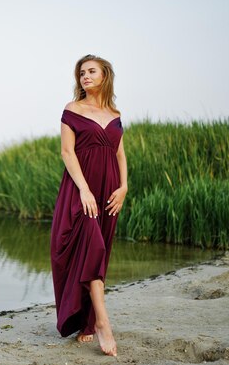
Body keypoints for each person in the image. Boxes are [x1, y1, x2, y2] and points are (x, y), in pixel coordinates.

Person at [50, 54, 128, 357]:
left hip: (109, 191)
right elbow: (67, 152)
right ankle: (102, 324)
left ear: (104, 76)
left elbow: (120, 154)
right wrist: (83, 189)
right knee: (92, 248)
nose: (85, 77)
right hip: (80, 190)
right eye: (81, 73)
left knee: (99, 253)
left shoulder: (114, 113)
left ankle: (87, 322)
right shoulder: (72, 110)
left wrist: (124, 187)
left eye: (91, 72)